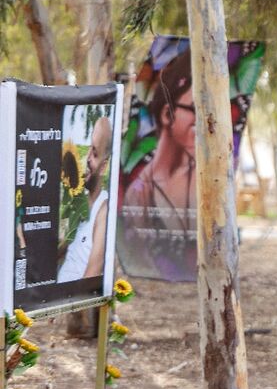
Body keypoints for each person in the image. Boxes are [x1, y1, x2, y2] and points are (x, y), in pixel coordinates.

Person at [123, 50, 197, 280]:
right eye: (196, 111)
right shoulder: (139, 194)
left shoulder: (201, 180)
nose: (206, 123)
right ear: (168, 114)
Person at [57, 117, 112, 282]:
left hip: (71, 302)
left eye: (94, 154)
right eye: (89, 149)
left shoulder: (103, 210)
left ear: (103, 167)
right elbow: (67, 247)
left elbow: (92, 275)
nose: (87, 158)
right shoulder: (81, 202)